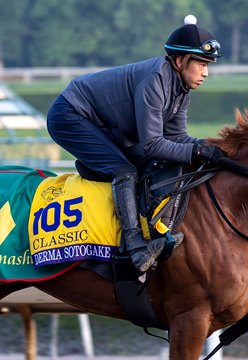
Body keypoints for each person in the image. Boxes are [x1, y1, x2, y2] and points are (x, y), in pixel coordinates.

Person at [46, 15, 224, 273]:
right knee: (125, 170)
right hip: (70, 115)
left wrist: (209, 146)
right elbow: (153, 144)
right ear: (178, 61)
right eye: (201, 64)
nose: (206, 73)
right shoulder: (155, 80)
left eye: (209, 65)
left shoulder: (181, 88)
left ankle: (104, 179)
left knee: (157, 160)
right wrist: (194, 150)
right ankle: (135, 247)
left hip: (103, 124)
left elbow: (177, 138)